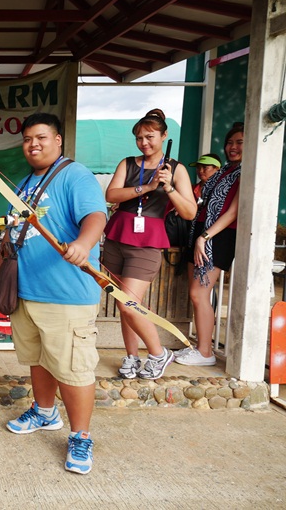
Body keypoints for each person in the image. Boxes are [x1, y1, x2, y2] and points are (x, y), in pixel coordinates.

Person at [2, 113, 106, 475]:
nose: (33, 145)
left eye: (41, 137)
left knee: (74, 370)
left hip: (66, 294)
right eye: (27, 139)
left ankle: (81, 435)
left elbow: (96, 216)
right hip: (28, 291)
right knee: (39, 359)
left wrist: (83, 243)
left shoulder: (75, 175)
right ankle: (45, 412)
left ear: (58, 140)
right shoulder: (24, 183)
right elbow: (13, 231)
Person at [103, 109, 197, 379]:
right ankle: (131, 356)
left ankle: (158, 353)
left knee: (128, 304)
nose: (144, 143)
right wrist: (147, 186)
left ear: (164, 136)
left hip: (147, 242)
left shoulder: (176, 169)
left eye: (150, 137)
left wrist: (168, 188)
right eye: (139, 138)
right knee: (123, 303)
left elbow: (190, 212)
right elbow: (111, 195)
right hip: (117, 236)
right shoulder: (128, 164)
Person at [176, 122, 244, 366]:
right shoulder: (226, 169)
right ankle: (201, 347)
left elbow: (233, 212)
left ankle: (205, 352)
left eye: (240, 142)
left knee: (199, 293)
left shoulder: (246, 172)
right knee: (196, 294)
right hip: (201, 231)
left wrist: (205, 237)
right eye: (230, 142)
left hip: (217, 236)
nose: (233, 147)